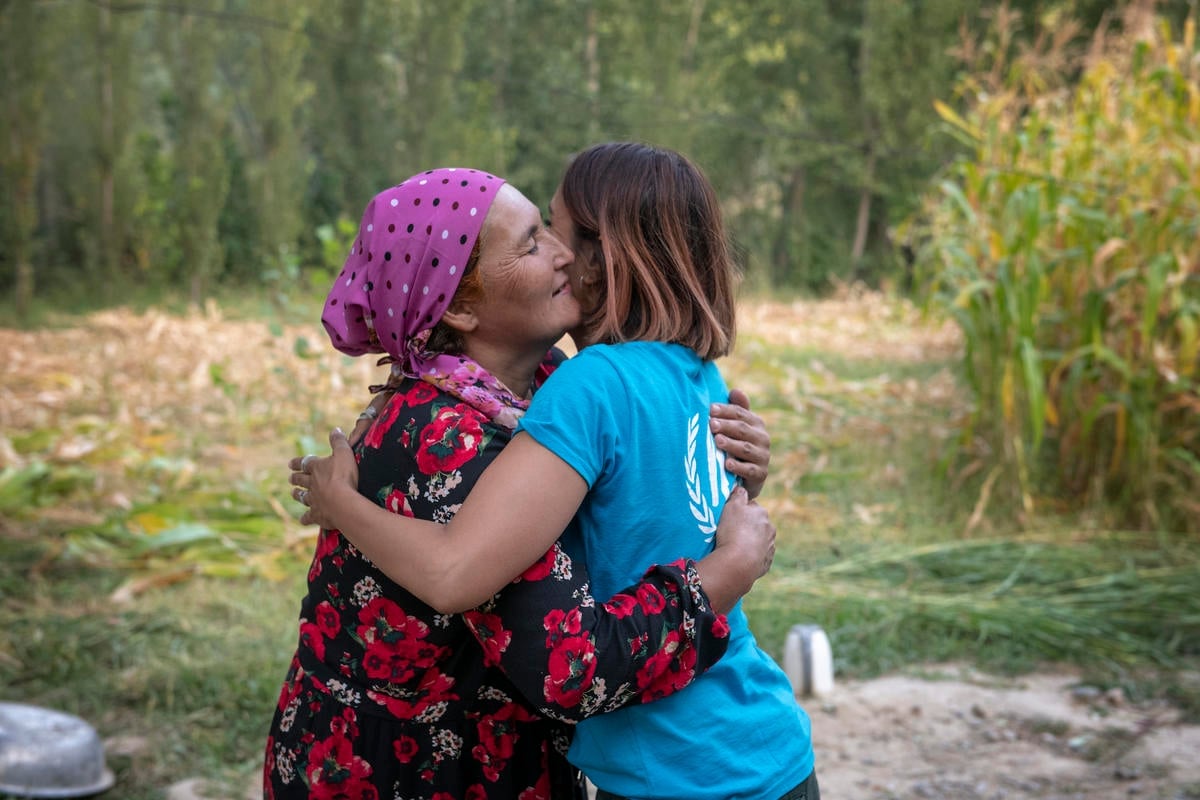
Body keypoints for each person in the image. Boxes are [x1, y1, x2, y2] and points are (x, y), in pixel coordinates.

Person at [293, 143, 819, 799]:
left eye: (555, 230)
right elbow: (510, 607)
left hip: (684, 765)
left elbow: (645, 514)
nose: (560, 253)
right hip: (424, 771)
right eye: (535, 239)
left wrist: (339, 500)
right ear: (457, 306)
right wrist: (726, 564)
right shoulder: (468, 429)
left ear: (613, 254)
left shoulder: (573, 386)